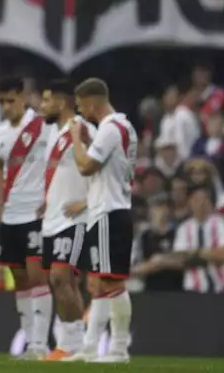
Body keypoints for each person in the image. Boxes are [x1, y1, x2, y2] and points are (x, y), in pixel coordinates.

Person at [70, 78, 139, 363]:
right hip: (106, 210)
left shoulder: (111, 128)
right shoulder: (119, 128)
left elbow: (86, 167)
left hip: (110, 212)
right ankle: (89, 347)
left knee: (111, 282)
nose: (80, 112)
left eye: (80, 106)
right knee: (98, 284)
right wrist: (89, 140)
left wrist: (76, 139)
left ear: (92, 102)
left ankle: (119, 349)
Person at [0, 76, 50, 359]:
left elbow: (58, 163)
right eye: (1, 102)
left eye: (10, 100)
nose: (6, 107)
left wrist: (51, 198)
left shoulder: (42, 126)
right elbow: (1, 174)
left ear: (23, 98)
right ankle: (29, 340)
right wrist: (1, 212)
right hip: (11, 216)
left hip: (35, 213)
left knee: (38, 276)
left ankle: (41, 344)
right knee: (19, 278)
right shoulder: (1, 132)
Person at [37, 80, 90, 360]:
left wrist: (87, 201)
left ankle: (75, 343)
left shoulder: (82, 129)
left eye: (46, 101)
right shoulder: (56, 135)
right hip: (53, 219)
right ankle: (69, 344)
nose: (43, 107)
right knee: (58, 281)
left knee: (62, 275)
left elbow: (105, 166)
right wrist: (47, 200)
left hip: (74, 219)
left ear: (61, 102)